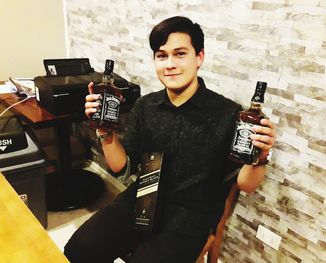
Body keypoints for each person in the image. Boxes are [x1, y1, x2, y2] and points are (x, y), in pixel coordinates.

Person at [64, 16, 276, 263]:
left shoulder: (229, 113)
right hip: (143, 198)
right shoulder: (146, 106)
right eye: (162, 56)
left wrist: (259, 157)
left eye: (180, 54)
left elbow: (247, 185)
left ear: (199, 57)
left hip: (191, 214)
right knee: (80, 248)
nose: (170, 64)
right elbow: (120, 166)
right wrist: (104, 130)